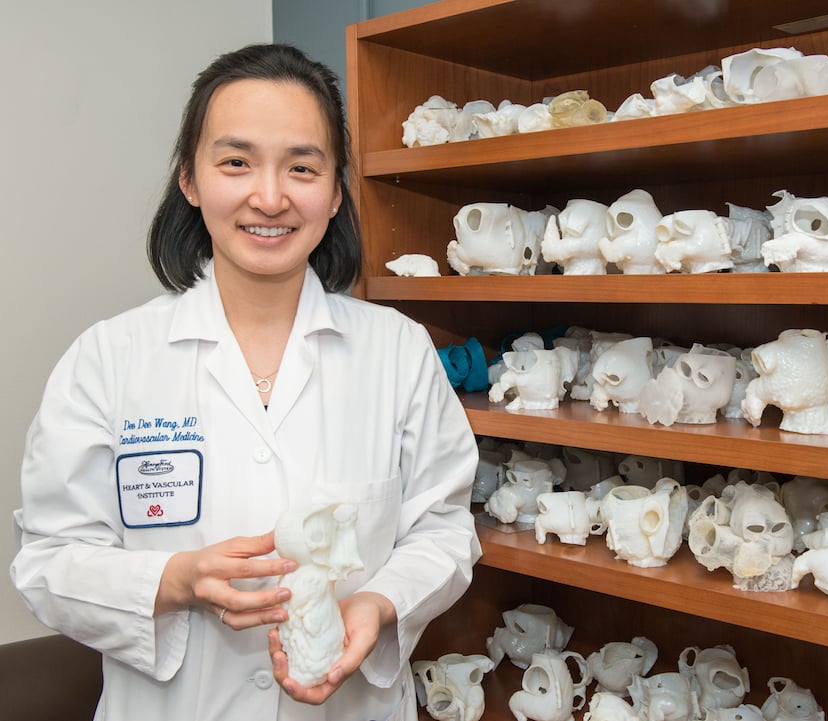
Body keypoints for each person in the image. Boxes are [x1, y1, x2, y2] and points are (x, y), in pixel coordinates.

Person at [10, 43, 480, 720]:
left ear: (336, 190)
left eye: (302, 167)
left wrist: (378, 605)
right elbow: (48, 561)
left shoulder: (397, 351)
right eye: (236, 162)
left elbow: (444, 530)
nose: (270, 196)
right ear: (190, 180)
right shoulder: (109, 358)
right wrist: (173, 580)